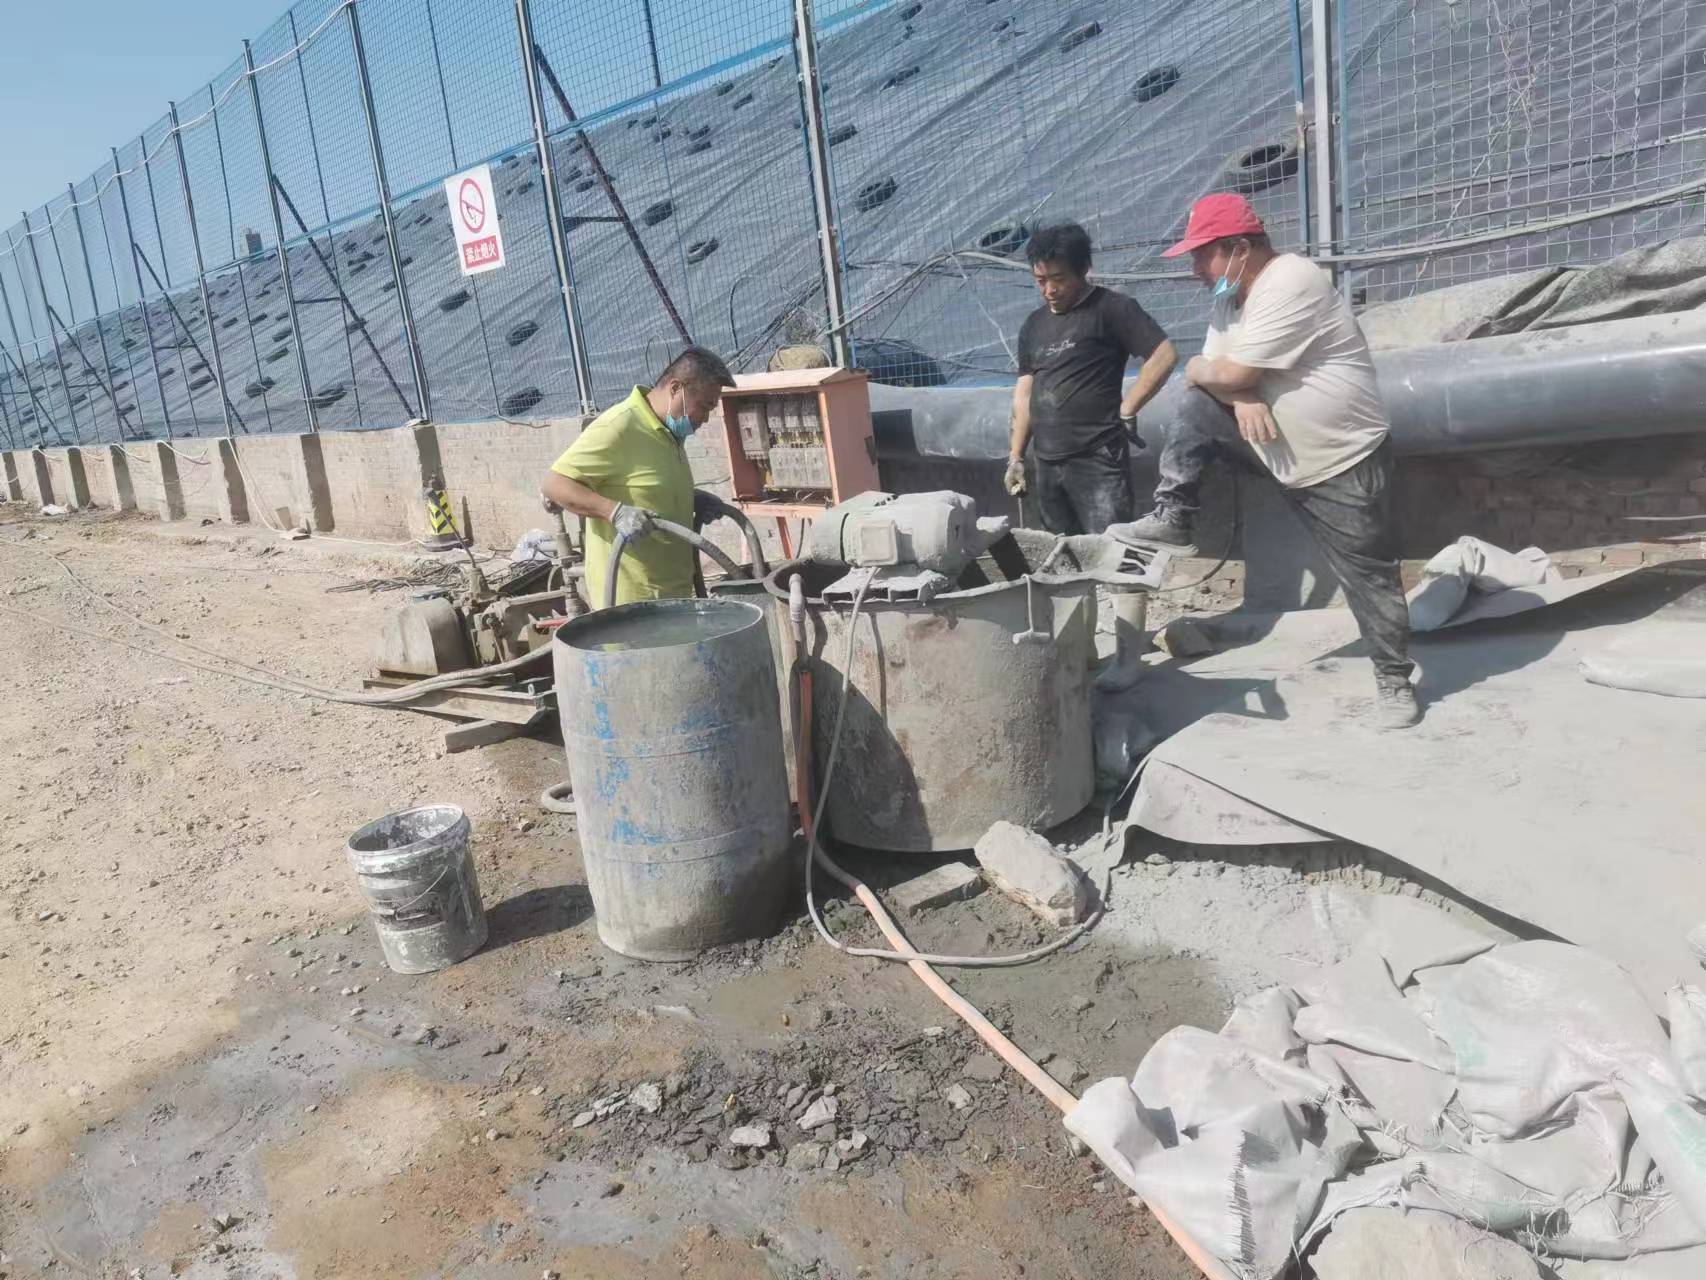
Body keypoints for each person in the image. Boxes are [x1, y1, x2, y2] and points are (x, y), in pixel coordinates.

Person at [1108, 193, 1419, 729]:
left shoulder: (1290, 280)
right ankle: (1174, 513)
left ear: (1237, 248)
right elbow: (1207, 369)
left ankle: (1394, 681)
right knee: (1197, 403)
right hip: (1275, 447)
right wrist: (1240, 392)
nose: (1195, 270)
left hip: (1340, 457)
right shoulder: (1230, 299)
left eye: (1202, 255)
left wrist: (1235, 381)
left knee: (1367, 576)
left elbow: (1223, 369)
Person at [1006, 223, 1177, 535]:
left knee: (1110, 548)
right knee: (1061, 552)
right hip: (1046, 462)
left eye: (1058, 279)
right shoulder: (1033, 325)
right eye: (1040, 281)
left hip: (1097, 459)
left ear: (1083, 269)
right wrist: (1016, 456)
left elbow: (1163, 355)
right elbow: (1024, 393)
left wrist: (1129, 408)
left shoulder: (1112, 309)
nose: (1049, 290)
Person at [540, 345, 735, 608]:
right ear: (676, 388)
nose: (706, 417)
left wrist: (691, 500)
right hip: (630, 604)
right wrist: (614, 511)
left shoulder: (670, 432)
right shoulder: (619, 426)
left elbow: (646, 486)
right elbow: (555, 483)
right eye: (704, 406)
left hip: (672, 592)